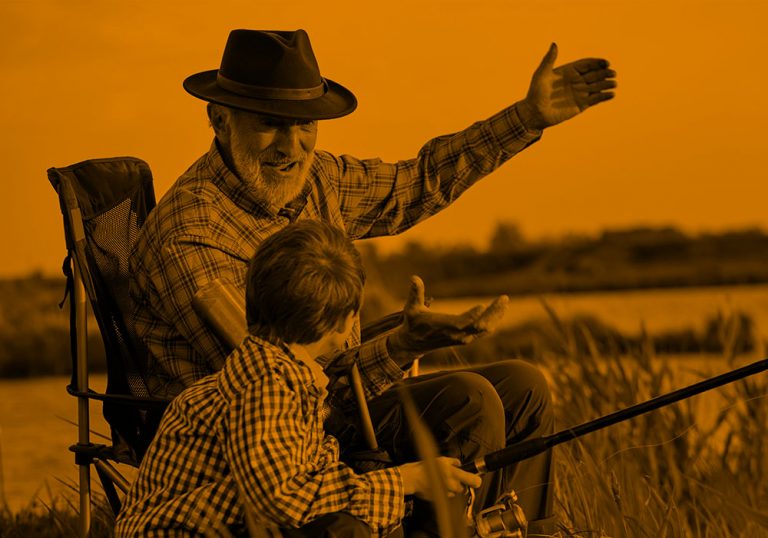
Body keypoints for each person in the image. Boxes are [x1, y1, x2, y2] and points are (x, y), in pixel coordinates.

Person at [129, 28, 616, 535]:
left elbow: (420, 179)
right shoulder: (188, 235)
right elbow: (277, 381)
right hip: (261, 435)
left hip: (325, 390)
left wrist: (526, 118)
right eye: (270, 125)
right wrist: (400, 346)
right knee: (467, 401)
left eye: (305, 126)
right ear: (219, 119)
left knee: (525, 385)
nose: (290, 146)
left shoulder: (320, 178)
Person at [117, 220, 484, 537]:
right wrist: (408, 480)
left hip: (225, 525)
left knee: (346, 523)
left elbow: (301, 488)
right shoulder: (267, 385)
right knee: (342, 531)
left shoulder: (283, 374)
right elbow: (282, 498)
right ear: (345, 321)